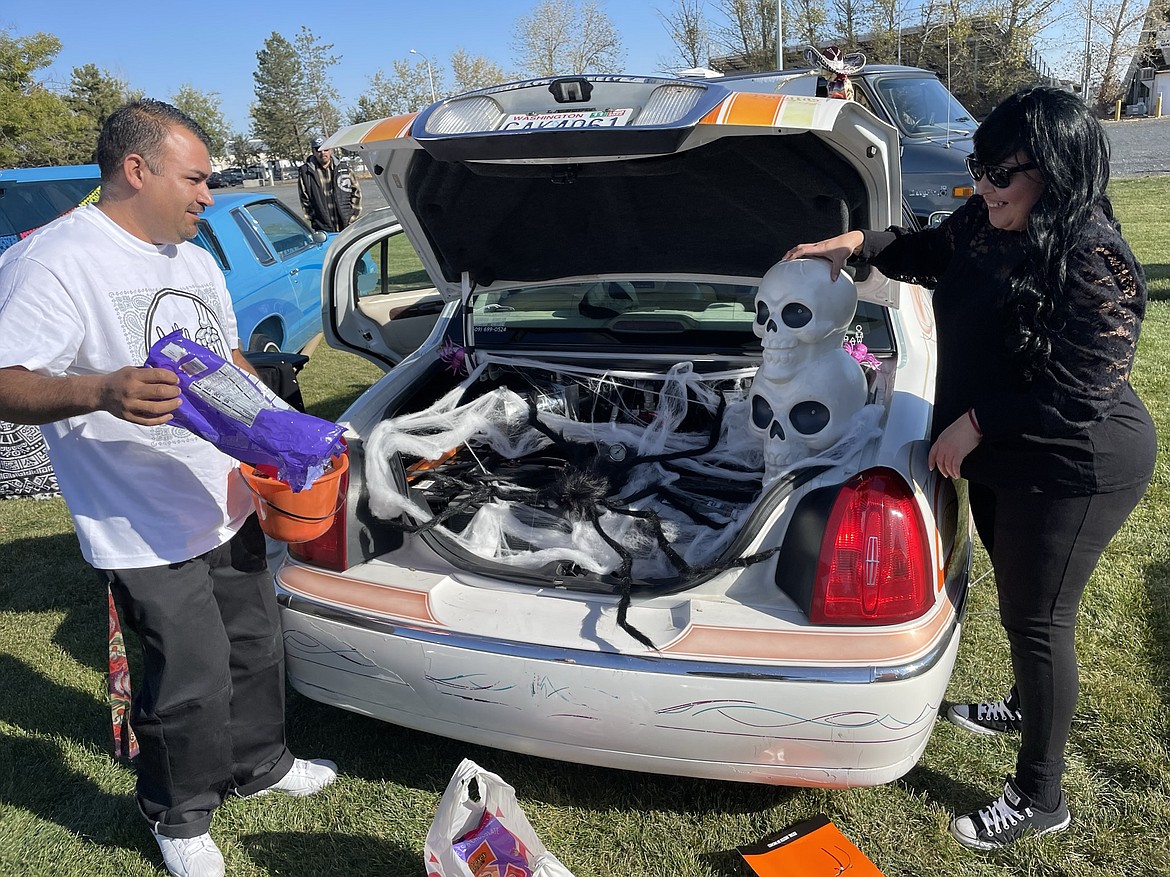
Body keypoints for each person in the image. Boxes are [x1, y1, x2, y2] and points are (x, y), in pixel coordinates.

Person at [784, 86, 1155, 851]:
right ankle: (1024, 701)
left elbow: (1082, 390)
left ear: (1052, 169)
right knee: (1022, 593)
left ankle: (1039, 794)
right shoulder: (990, 222)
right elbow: (929, 250)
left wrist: (976, 423)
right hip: (999, 454)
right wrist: (855, 243)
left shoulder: (1094, 256)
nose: (981, 187)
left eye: (999, 174)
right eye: (976, 167)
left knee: (1038, 615)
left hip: (1073, 464)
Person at [0, 99, 338, 877]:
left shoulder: (191, 257)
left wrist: (283, 427)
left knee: (254, 647)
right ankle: (177, 812)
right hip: (139, 516)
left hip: (224, 495)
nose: (207, 196)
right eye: (195, 178)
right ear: (136, 169)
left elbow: (227, 360)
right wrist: (100, 391)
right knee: (190, 672)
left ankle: (261, 763)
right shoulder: (55, 260)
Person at [298, 134, 362, 232]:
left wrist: (352, 218)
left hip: (346, 226)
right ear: (313, 152)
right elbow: (305, 200)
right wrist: (315, 221)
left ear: (331, 150)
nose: (322, 153)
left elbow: (356, 193)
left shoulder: (344, 169)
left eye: (326, 149)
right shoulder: (306, 173)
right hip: (323, 229)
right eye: (318, 150)